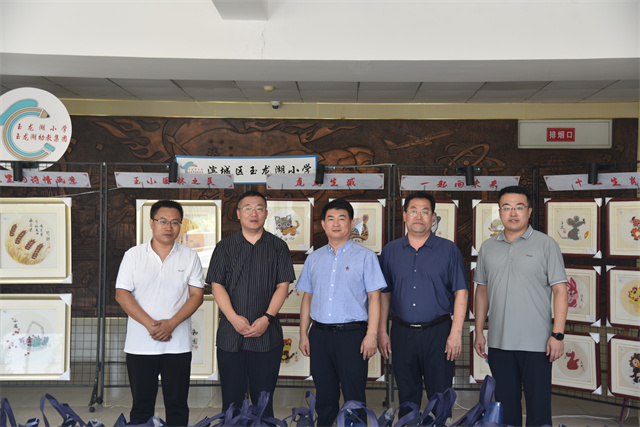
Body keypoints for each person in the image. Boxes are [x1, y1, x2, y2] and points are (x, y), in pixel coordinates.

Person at [473, 186, 568, 427]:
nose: (513, 213)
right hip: (499, 342)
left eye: (519, 207)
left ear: (529, 211)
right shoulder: (488, 247)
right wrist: (479, 331)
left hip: (537, 343)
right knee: (505, 407)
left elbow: (560, 291)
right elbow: (481, 291)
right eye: (507, 207)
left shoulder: (546, 244)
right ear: (499, 211)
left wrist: (557, 334)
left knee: (539, 407)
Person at [297, 198, 386, 426]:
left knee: (354, 395)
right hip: (320, 335)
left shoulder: (366, 257)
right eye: (330, 219)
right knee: (325, 394)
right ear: (323, 224)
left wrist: (371, 334)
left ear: (351, 223)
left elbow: (375, 298)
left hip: (352, 336)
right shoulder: (314, 259)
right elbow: (307, 297)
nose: (336, 224)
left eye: (341, 218)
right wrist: (304, 334)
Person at [206, 191, 295, 417]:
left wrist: (267, 319)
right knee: (231, 402)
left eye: (259, 208)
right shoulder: (224, 247)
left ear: (266, 213)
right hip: (230, 336)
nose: (253, 213)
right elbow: (217, 285)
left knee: (264, 403)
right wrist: (233, 318)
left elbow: (282, 286)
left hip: (267, 336)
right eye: (247, 208)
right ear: (238, 213)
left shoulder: (278, 246)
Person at [378, 192, 467, 417]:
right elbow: (385, 294)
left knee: (440, 394)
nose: (419, 216)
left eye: (425, 211)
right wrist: (382, 330)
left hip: (439, 333)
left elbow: (461, 292)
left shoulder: (449, 250)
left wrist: (455, 334)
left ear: (433, 217)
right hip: (402, 332)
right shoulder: (390, 251)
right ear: (405, 215)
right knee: (407, 394)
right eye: (414, 211)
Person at [115, 200, 204, 426]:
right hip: (140, 344)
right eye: (163, 221)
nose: (168, 227)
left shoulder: (189, 256)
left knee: (177, 405)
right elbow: (122, 294)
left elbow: (196, 296)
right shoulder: (133, 255)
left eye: (175, 222)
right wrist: (151, 325)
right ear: (151, 223)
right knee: (141, 405)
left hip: (178, 344)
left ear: (181, 225)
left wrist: (171, 324)